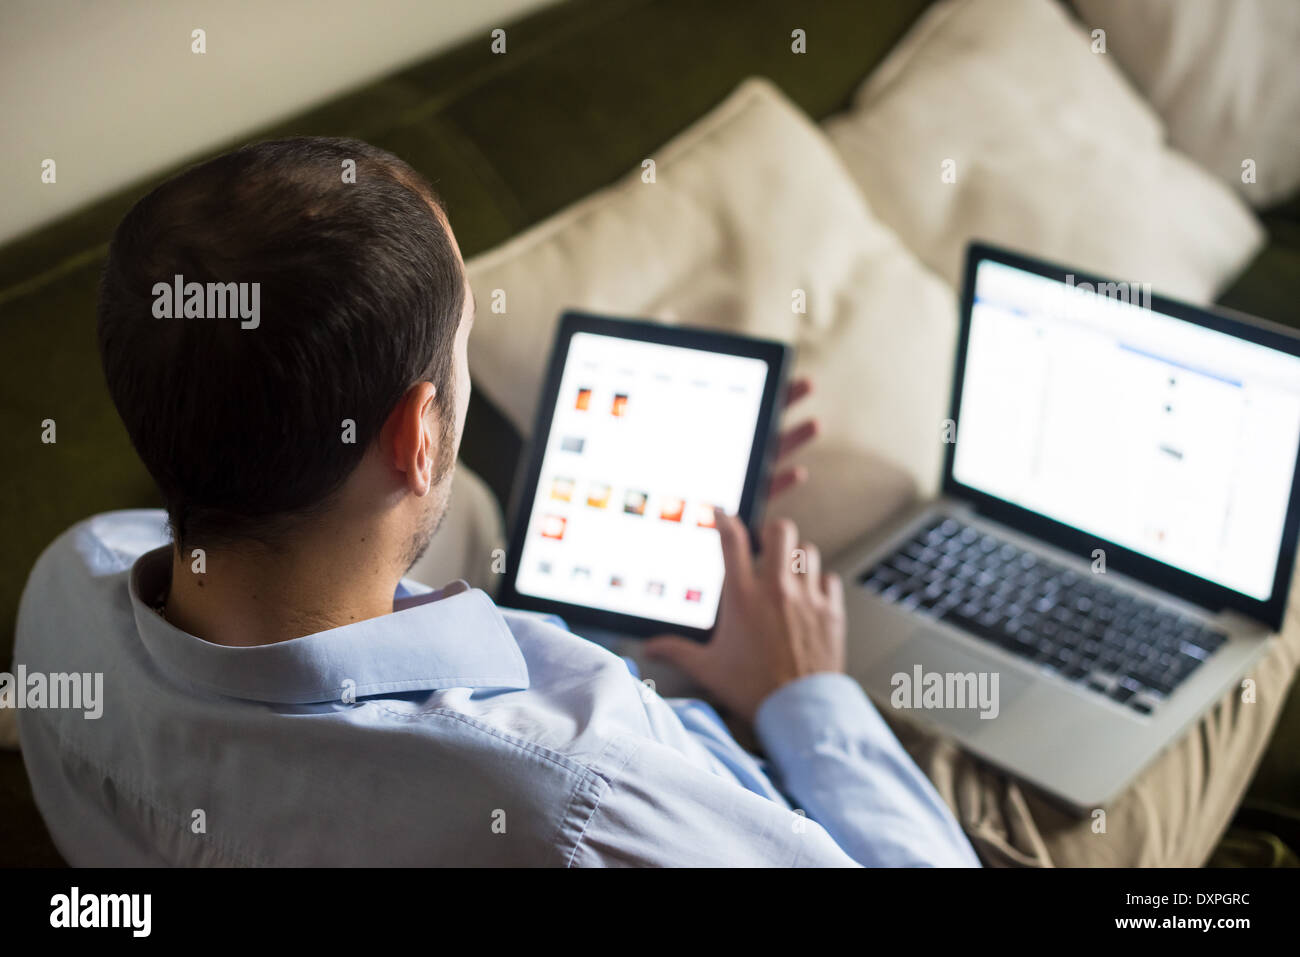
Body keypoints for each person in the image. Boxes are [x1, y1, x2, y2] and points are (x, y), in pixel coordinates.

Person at [14, 137, 979, 866]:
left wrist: (648, 567)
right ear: (419, 432)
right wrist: (802, 694)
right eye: (464, 347)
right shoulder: (573, 801)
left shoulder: (67, 582)